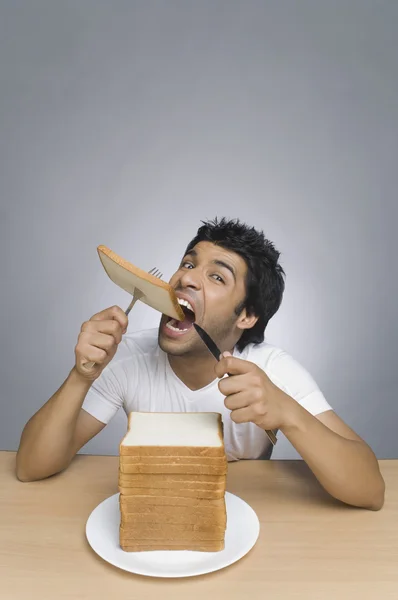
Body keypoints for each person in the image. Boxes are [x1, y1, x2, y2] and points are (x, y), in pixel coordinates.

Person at [16, 218, 385, 510]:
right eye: (188, 263)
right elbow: (32, 467)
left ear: (247, 316)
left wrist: (288, 412)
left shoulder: (272, 371)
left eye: (216, 276)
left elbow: (370, 490)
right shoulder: (127, 356)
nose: (186, 277)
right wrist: (82, 376)